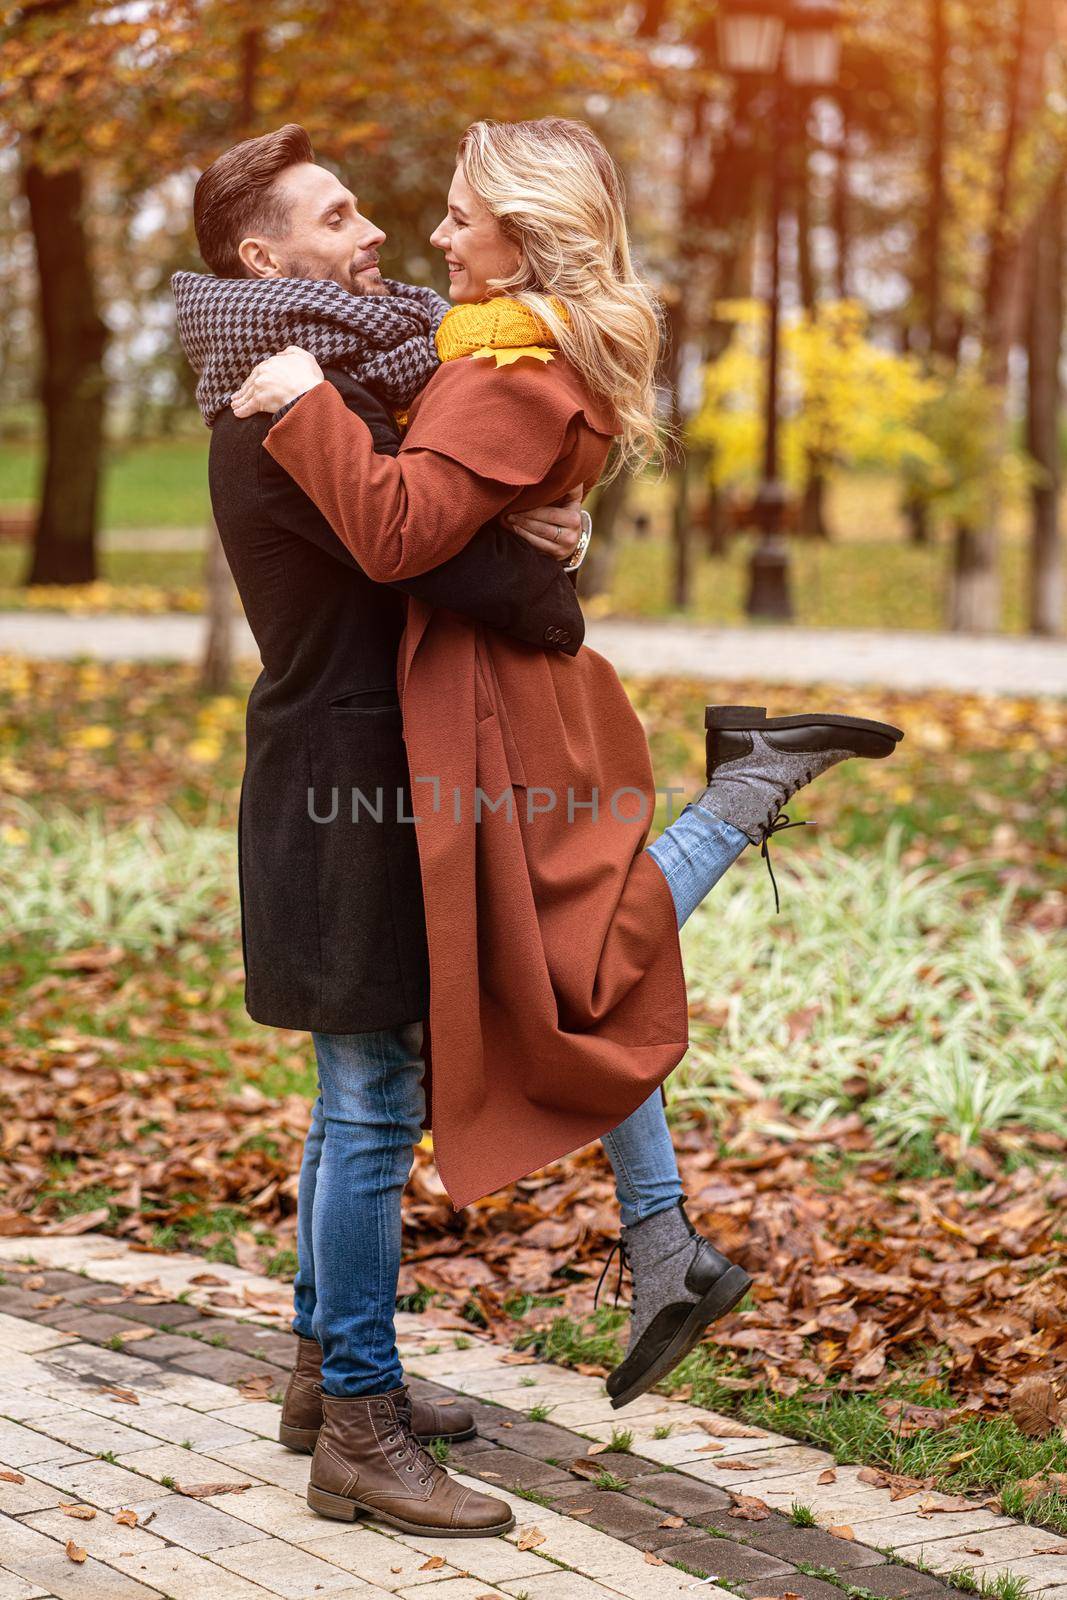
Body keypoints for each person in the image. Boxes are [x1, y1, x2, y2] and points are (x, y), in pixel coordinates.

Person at [232, 116, 903, 1535]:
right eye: (345, 217)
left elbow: (416, 526)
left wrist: (519, 521)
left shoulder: (468, 363)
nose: (411, 237)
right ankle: (356, 1390)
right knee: (438, 1048)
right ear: (262, 256)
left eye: (452, 212)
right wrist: (527, 551)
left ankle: (345, 1379)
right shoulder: (360, 367)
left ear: (523, 233)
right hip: (398, 748)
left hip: (458, 734)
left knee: (544, 970)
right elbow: (416, 539)